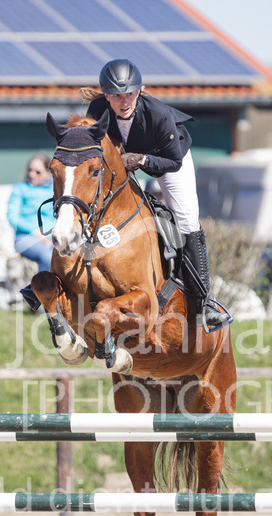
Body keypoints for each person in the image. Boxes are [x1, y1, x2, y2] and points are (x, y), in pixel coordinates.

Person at [80, 58, 232, 333]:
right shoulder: (97, 110)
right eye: (116, 96)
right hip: (126, 161)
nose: (123, 102)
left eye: (129, 94)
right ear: (106, 95)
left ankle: (204, 302)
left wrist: (141, 161)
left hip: (168, 159)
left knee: (186, 219)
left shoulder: (158, 114)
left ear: (139, 91)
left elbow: (173, 162)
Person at [7, 151, 55, 273]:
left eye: (38, 172)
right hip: (25, 238)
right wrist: (36, 233)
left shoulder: (55, 190)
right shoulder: (20, 188)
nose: (32, 175)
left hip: (51, 238)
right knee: (48, 257)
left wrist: (48, 236)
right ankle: (41, 291)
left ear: (48, 173)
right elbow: (13, 218)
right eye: (30, 170)